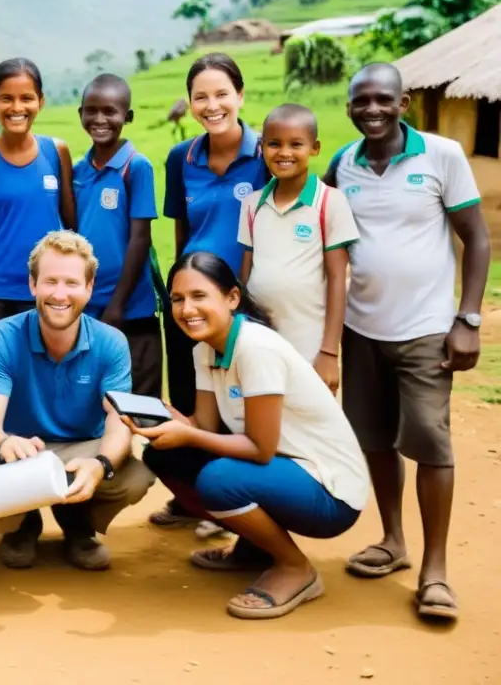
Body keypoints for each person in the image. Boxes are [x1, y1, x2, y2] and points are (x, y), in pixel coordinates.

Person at [324, 63, 490, 621]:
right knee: (374, 439)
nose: (371, 110)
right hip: (360, 327)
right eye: (360, 101)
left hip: (425, 329)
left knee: (429, 443)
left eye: (382, 100)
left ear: (403, 103)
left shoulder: (441, 156)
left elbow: (476, 238)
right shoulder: (342, 164)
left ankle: (435, 570)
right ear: (349, 105)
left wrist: (467, 319)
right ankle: (393, 541)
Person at [137, 252, 369, 619]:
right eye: (177, 299)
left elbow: (260, 450)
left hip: (329, 492)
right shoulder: (204, 350)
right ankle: (254, 548)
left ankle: (296, 568)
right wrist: (175, 419)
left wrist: (189, 435)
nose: (186, 309)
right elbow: (206, 427)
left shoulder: (255, 348)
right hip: (285, 472)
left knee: (218, 478)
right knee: (164, 455)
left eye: (199, 296)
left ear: (231, 298)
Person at [0, 231, 155, 570]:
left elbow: (117, 420)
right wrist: (5, 443)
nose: (59, 294)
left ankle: (77, 523)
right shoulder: (1, 336)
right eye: (49, 282)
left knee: (135, 478)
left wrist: (102, 465)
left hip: (82, 446)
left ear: (89, 287)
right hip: (20, 448)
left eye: (71, 283)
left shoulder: (112, 342)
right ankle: (23, 523)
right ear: (32, 284)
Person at [152, 52, 269, 531]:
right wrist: (180, 293)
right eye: (201, 95)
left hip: (242, 302)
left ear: (240, 96)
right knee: (188, 397)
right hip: (190, 301)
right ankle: (193, 496)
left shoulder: (266, 153)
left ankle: (232, 502)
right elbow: (183, 230)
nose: (212, 104)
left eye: (222, 94)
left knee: (236, 403)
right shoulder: (183, 157)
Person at [0, 58, 77, 356]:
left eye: (26, 98)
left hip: (46, 291)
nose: (17, 107)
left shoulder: (56, 151)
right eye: (6, 98)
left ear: (41, 101)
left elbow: (71, 225)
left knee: (43, 377)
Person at [239, 103, 359, 392]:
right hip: (260, 337)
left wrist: (330, 352)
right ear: (262, 147)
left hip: (309, 342)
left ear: (314, 148)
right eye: (274, 144)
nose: (284, 153)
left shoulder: (329, 202)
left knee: (310, 418)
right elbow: (245, 273)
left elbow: (337, 279)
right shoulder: (252, 204)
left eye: (296, 144)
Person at [73, 73, 163, 398]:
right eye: (91, 110)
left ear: (127, 117)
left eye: (110, 111)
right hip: (87, 308)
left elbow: (140, 238)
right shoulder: (77, 173)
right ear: (80, 113)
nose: (100, 119)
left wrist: (118, 304)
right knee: (95, 393)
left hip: (131, 308)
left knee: (139, 398)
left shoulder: (136, 167)